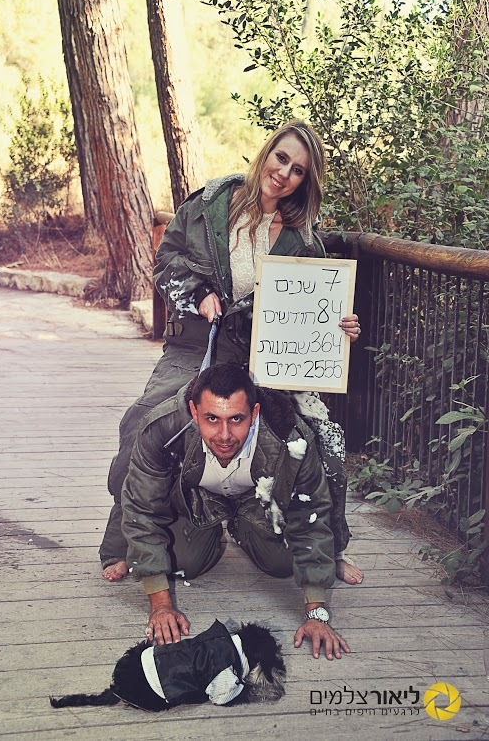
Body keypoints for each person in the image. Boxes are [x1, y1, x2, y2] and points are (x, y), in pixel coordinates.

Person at [99, 118, 363, 585]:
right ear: (267, 153)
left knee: (323, 436)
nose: (284, 173)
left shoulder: (304, 240)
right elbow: (166, 260)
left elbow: (315, 305)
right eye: (282, 158)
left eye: (298, 170)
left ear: (306, 181)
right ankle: (123, 543)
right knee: (144, 420)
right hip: (197, 343)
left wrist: (339, 326)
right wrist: (198, 292)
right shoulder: (208, 206)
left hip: (265, 355)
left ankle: (331, 546)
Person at [121, 364, 350, 660]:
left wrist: (316, 613)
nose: (225, 435)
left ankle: (243, 530)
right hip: (196, 504)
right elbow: (142, 509)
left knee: (283, 564)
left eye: (236, 419)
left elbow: (311, 515)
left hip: (256, 501)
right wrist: (161, 604)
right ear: (193, 411)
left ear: (254, 413)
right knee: (184, 563)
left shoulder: (292, 437)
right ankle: (211, 537)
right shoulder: (161, 429)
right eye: (212, 419)